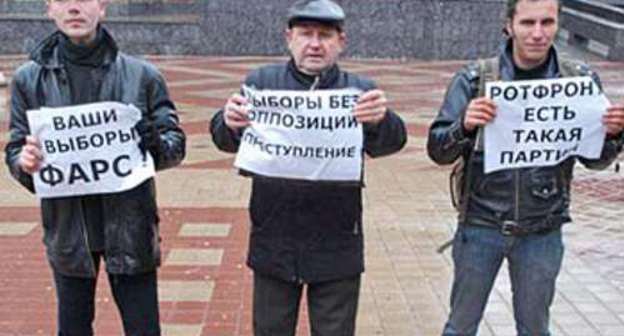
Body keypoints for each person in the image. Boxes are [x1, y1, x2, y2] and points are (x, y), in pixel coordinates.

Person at [427, 0, 624, 335]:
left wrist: (615, 136)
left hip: (542, 231)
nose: (537, 33)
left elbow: (594, 159)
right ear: (509, 25)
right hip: (480, 226)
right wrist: (464, 125)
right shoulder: (475, 79)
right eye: (528, 23)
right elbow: (438, 149)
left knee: (534, 328)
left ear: (558, 24)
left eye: (547, 23)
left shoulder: (578, 80)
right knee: (460, 327)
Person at [210, 0, 406, 335]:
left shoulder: (359, 91)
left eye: (325, 35)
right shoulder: (262, 83)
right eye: (306, 34)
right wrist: (229, 122)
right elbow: (226, 139)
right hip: (274, 241)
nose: (315, 44)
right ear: (289, 38)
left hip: (337, 243)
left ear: (341, 42)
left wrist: (381, 121)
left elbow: (392, 142)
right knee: (271, 329)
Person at [4, 0, 185, 335]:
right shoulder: (29, 79)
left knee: (143, 329)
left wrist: (155, 143)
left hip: (131, 229)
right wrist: (23, 163)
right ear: (49, 9)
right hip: (68, 231)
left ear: (102, 7)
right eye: (64, 0)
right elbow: (15, 149)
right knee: (72, 329)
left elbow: (175, 146)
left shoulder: (142, 75)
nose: (74, 8)